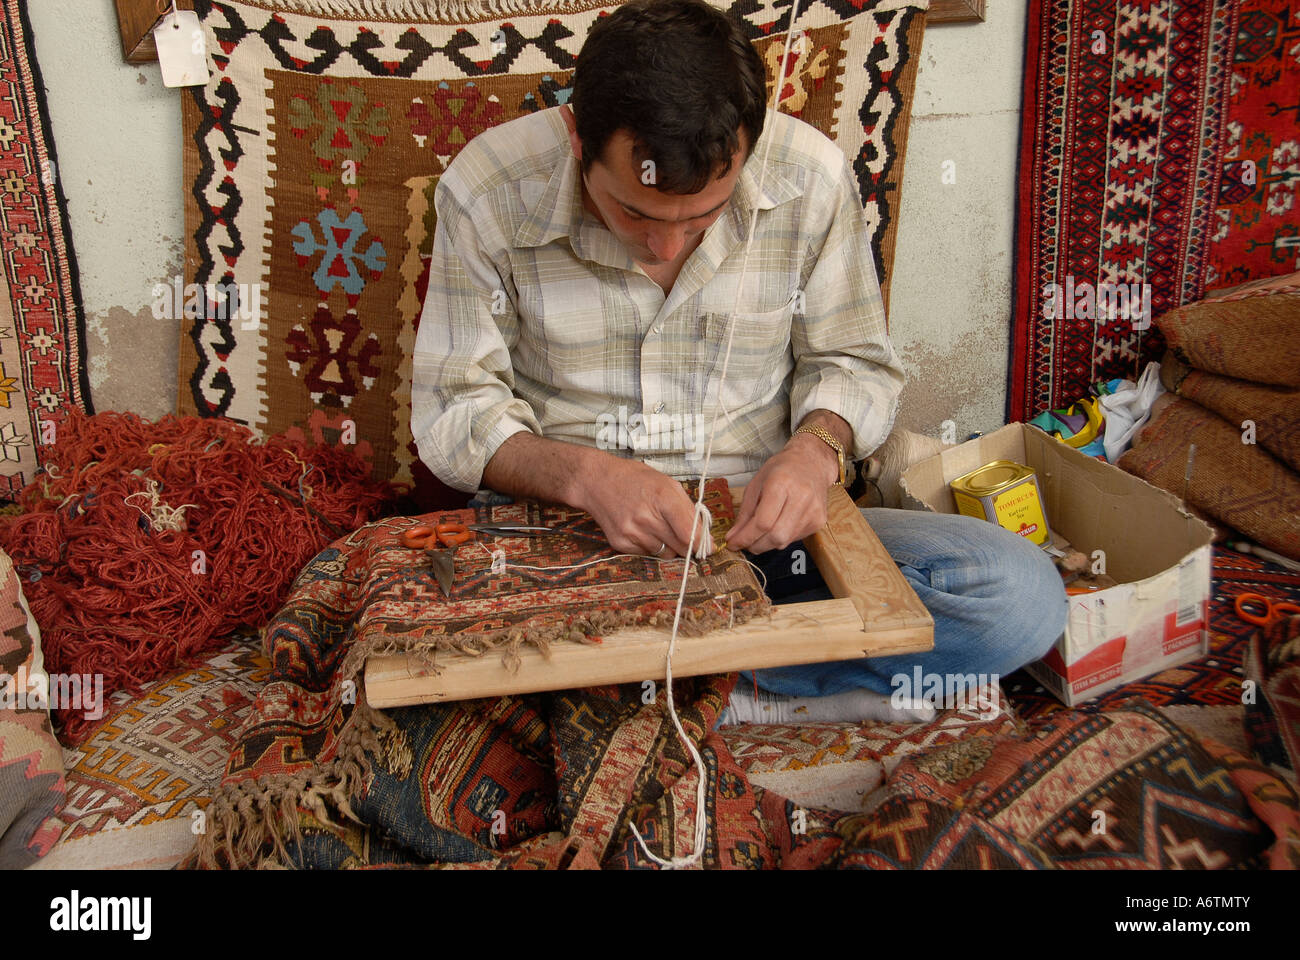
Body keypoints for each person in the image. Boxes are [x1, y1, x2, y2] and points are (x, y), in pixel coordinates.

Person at [411, 0, 1066, 723]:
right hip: (569, 543)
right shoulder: (489, 190)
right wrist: (587, 476)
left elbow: (852, 363)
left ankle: (644, 684)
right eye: (634, 214)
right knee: (418, 653)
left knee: (1020, 599)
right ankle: (749, 679)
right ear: (576, 137)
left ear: (748, 150)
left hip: (755, 540)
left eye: (700, 218)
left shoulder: (808, 179)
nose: (666, 248)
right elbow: (454, 411)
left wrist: (815, 453)